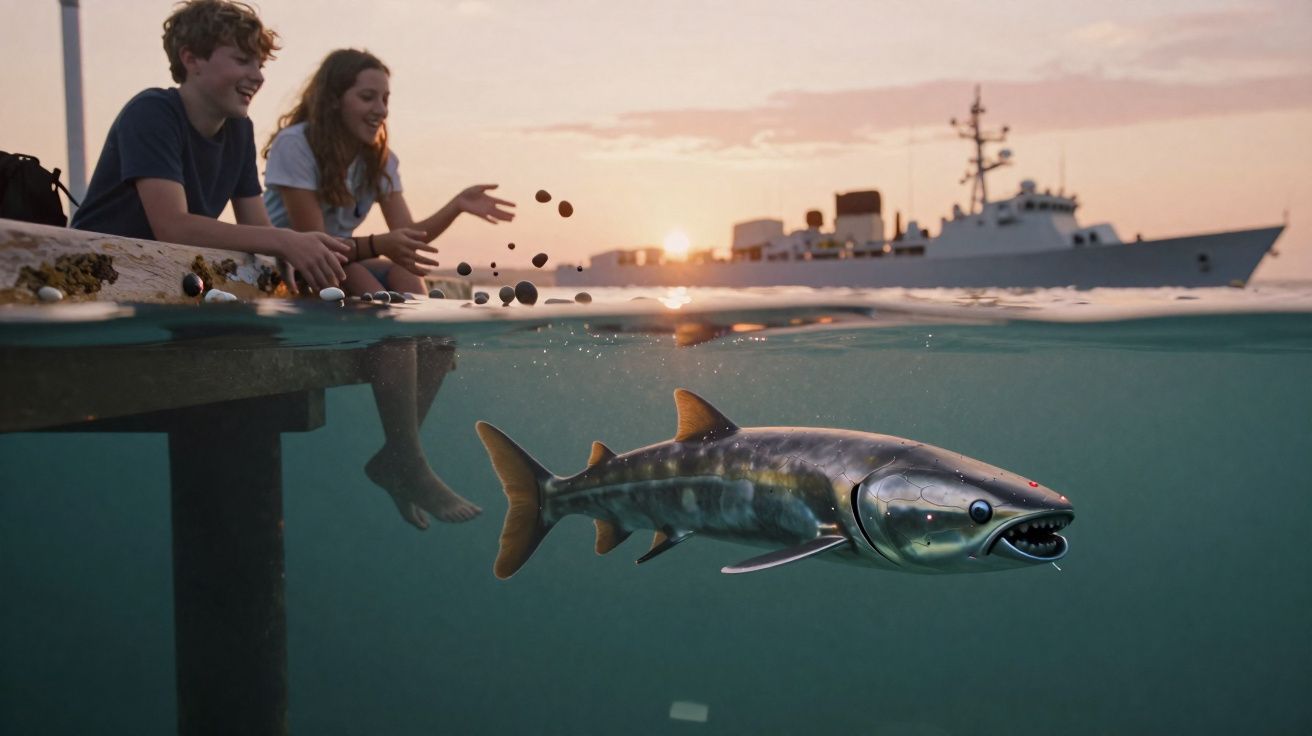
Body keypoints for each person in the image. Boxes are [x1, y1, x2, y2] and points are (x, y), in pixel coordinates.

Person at [264, 48, 517, 527]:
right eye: (367, 96)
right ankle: (409, 464)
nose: (380, 108)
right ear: (333, 98)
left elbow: (407, 240)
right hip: (295, 269)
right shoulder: (296, 144)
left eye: (385, 98)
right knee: (391, 307)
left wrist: (456, 205)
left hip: (346, 259)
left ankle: (398, 458)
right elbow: (314, 241)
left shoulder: (379, 157)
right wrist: (381, 254)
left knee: (430, 323)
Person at [71, 0, 349, 292]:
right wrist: (284, 240)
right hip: (90, 274)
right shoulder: (151, 112)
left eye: (260, 64)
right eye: (242, 60)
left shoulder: (239, 129)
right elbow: (173, 227)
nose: (258, 76)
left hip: (161, 278)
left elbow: (257, 225)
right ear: (191, 60)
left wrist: (293, 251)